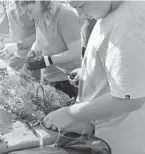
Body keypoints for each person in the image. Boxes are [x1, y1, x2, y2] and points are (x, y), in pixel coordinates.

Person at [43, 1, 145, 154]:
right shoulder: (109, 10)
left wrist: (69, 113)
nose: (80, 14)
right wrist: (87, 72)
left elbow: (128, 100)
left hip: (119, 142)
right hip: (101, 132)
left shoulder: (128, 28)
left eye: (80, 5)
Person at [19, 1, 81, 98]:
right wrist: (33, 51)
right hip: (48, 79)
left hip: (67, 81)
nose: (30, 17)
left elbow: (76, 52)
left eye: (30, 11)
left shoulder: (66, 16)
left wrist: (47, 60)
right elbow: (40, 40)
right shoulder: (39, 16)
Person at [0, 0, 40, 81]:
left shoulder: (34, 7)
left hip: (33, 56)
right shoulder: (10, 3)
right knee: (14, 84)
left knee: (32, 87)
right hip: (16, 55)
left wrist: (19, 45)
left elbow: (41, 35)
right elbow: (8, 17)